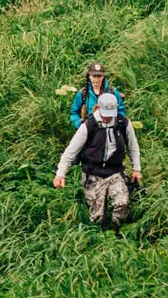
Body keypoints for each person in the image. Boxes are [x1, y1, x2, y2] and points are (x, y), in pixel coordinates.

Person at [53, 91, 141, 228]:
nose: (107, 118)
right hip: (93, 174)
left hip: (115, 172)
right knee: (97, 216)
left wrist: (137, 169)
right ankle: (99, 236)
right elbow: (71, 151)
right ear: (98, 108)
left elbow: (133, 147)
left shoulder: (123, 123)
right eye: (105, 114)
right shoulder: (89, 125)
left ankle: (115, 231)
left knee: (122, 203)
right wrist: (60, 174)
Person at [69, 62, 126, 129]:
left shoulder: (112, 92)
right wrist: (80, 124)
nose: (96, 80)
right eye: (94, 76)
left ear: (103, 77)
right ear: (89, 76)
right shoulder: (82, 93)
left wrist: (116, 123)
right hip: (89, 131)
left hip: (108, 129)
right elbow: (74, 113)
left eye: (99, 76)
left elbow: (121, 111)